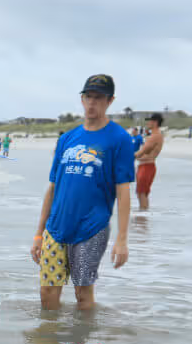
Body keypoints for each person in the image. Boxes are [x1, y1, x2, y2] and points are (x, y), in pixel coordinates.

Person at [30, 74, 135, 311]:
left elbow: (123, 191)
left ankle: (82, 342)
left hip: (91, 228)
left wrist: (122, 239)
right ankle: (50, 340)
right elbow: (53, 187)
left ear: (110, 101)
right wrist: (39, 233)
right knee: (47, 291)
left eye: (98, 98)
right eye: (88, 97)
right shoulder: (67, 138)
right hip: (56, 227)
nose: (92, 103)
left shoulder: (119, 139)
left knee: (82, 292)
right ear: (82, 98)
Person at [133, 112, 165, 210]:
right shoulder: (155, 135)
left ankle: (142, 216)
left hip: (147, 166)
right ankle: (143, 217)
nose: (147, 123)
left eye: (149, 121)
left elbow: (141, 152)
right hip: (145, 166)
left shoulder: (155, 136)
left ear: (155, 122)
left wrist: (124, 157)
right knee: (142, 193)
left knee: (141, 193)